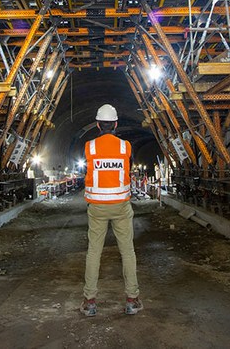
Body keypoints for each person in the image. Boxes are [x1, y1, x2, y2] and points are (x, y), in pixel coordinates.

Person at [80, 104, 143, 317]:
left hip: (97, 207)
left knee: (94, 252)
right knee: (127, 252)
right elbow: (129, 167)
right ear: (116, 124)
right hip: (120, 206)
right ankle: (132, 300)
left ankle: (89, 302)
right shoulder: (125, 147)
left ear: (98, 125)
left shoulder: (90, 147)